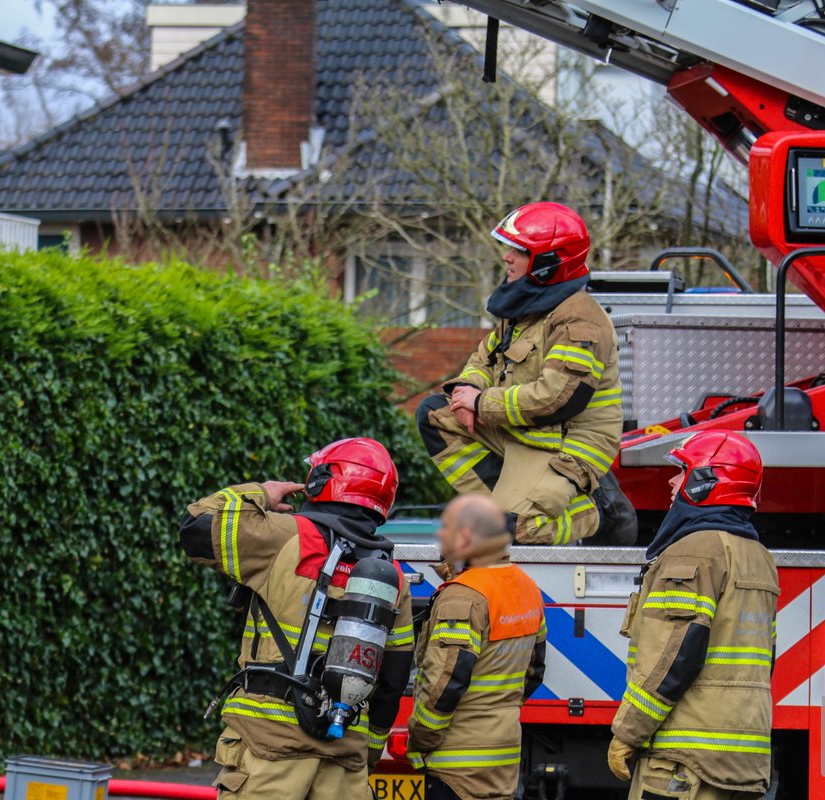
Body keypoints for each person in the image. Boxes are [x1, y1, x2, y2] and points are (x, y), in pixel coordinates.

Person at [179, 437, 415, 799]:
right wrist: (366, 752)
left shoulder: (284, 536)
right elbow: (394, 678)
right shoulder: (391, 575)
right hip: (343, 758)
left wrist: (261, 492)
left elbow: (195, 527)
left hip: (267, 752)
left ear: (323, 479)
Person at [416, 202, 623, 545]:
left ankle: (597, 511)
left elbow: (558, 398)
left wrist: (480, 402)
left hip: (565, 446)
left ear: (547, 264)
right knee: (436, 413)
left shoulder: (579, 320)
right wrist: (467, 390)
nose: (506, 257)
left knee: (519, 530)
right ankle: (510, 496)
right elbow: (482, 358)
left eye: (519, 250)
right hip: (523, 433)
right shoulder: (525, 311)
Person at [608, 430, 778, 799]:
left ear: (705, 483)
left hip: (685, 762)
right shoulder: (757, 555)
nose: (671, 481)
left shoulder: (695, 551)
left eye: (681, 472)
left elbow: (673, 657)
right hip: (741, 762)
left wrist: (628, 732)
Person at [408, 493, 546, 800]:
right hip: (503, 757)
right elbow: (534, 671)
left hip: (456, 765)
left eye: (446, 528)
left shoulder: (463, 597)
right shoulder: (527, 588)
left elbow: (445, 684)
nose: (439, 535)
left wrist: (420, 740)